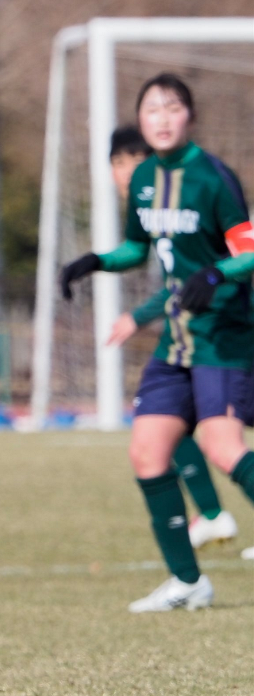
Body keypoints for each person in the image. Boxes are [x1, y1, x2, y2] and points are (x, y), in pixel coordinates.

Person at [61, 73, 254, 612]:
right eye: (153, 109)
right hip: (176, 343)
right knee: (146, 452)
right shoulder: (144, 176)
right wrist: (95, 262)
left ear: (188, 116)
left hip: (222, 335)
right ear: (142, 119)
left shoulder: (214, 178)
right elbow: (136, 249)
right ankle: (188, 583)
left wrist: (216, 275)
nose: (163, 118)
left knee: (222, 447)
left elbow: (250, 251)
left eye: (173, 108)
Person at [106, 125, 237, 550]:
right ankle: (210, 521)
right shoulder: (148, 208)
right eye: (118, 164)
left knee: (222, 444)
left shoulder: (198, 188)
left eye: (135, 163)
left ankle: (214, 515)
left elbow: (195, 275)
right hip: (191, 337)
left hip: (225, 332)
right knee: (163, 424)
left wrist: (139, 315)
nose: (127, 173)